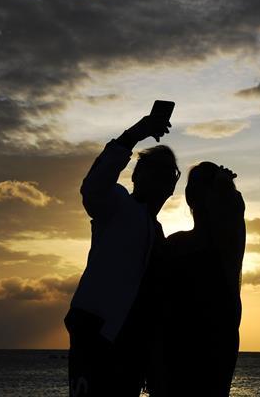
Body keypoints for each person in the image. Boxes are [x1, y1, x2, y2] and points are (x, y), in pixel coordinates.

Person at [65, 115, 178, 397]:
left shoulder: (158, 233)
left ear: (172, 187)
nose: (162, 179)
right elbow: (93, 186)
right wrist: (135, 134)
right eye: (154, 170)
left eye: (169, 174)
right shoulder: (116, 204)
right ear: (137, 175)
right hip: (95, 336)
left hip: (130, 349)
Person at [148, 162, 246, 396]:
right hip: (173, 354)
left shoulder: (225, 246)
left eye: (204, 186)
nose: (198, 194)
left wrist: (222, 186)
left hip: (212, 351)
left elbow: (233, 209)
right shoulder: (174, 244)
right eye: (194, 187)